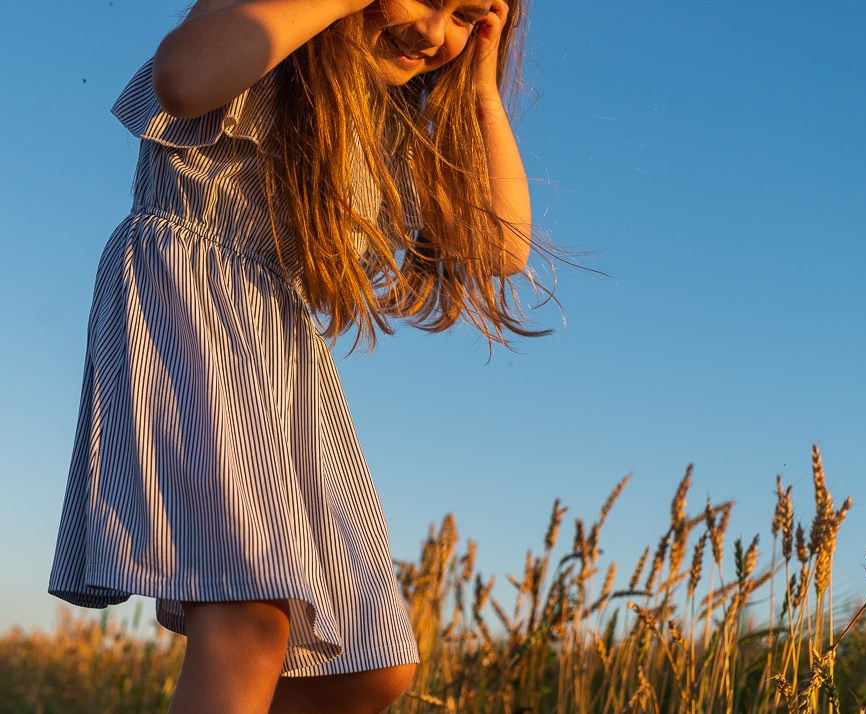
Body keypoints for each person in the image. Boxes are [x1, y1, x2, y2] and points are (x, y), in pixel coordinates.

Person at [48, 0, 546, 711]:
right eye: (428, 0)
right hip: (190, 300)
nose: (435, 33)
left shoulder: (385, 118)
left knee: (368, 668)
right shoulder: (271, 32)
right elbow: (182, 81)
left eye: (466, 15)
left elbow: (499, 247)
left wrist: (478, 82)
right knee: (250, 621)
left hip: (281, 348)